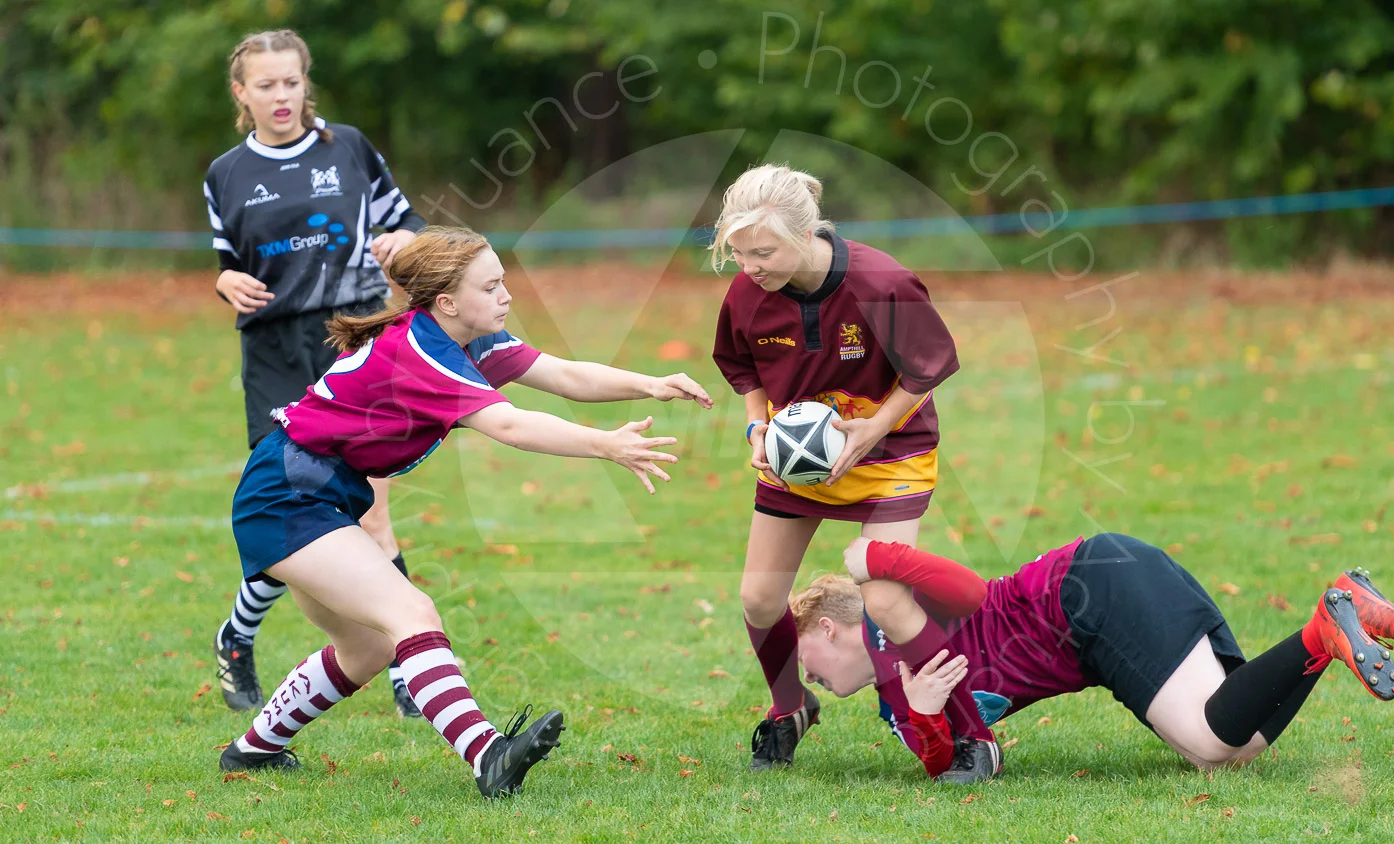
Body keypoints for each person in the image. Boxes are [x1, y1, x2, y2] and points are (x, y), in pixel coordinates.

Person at [217, 226, 713, 798]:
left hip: (313, 493)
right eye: (492, 285)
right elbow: (506, 424)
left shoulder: (469, 337)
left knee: (370, 646)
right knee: (413, 612)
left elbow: (566, 376)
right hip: (286, 495)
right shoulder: (423, 349)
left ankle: (251, 751)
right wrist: (606, 445)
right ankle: (488, 756)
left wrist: (652, 383)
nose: (507, 295)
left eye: (504, 281)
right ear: (448, 302)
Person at [709, 163, 996, 771]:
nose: (750, 266)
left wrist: (872, 428)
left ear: (805, 232)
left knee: (888, 602)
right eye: (737, 254)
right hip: (799, 459)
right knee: (759, 599)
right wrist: (759, 425)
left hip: (892, 453)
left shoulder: (881, 282)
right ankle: (789, 708)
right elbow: (744, 369)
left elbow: (929, 367)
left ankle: (974, 736)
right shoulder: (746, 294)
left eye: (762, 251)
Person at [790, 534, 1394, 782]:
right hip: (1107, 595)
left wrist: (878, 560)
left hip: (1086, 592)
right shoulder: (895, 707)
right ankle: (1333, 622)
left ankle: (1327, 626)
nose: (808, 676)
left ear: (826, 625)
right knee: (1236, 749)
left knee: (1209, 745)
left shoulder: (891, 609)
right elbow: (962, 762)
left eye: (805, 657)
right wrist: (929, 715)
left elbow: (970, 591)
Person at [204, 29, 426, 715]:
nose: (281, 96)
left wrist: (403, 242)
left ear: (307, 84)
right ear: (241, 93)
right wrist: (227, 284)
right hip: (275, 349)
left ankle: (406, 671)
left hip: (353, 338)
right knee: (288, 508)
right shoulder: (224, 173)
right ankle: (237, 637)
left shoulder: (350, 149)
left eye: (291, 82)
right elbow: (227, 266)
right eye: (265, 85)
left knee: (372, 506)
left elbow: (409, 226)